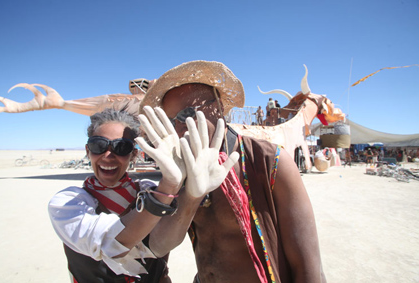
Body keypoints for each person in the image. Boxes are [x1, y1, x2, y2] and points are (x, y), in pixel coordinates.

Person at [139, 60, 326, 283]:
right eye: (170, 122)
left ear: (217, 107)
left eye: (187, 114)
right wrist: (189, 196)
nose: (180, 129)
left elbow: (309, 270)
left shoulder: (269, 163)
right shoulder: (181, 169)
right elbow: (160, 246)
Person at [48, 108, 231, 282]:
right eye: (99, 145)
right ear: (88, 151)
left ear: (133, 155)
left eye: (121, 147)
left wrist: (192, 196)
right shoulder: (67, 203)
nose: (108, 155)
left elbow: (162, 245)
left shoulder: (148, 190)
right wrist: (168, 186)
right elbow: (113, 242)